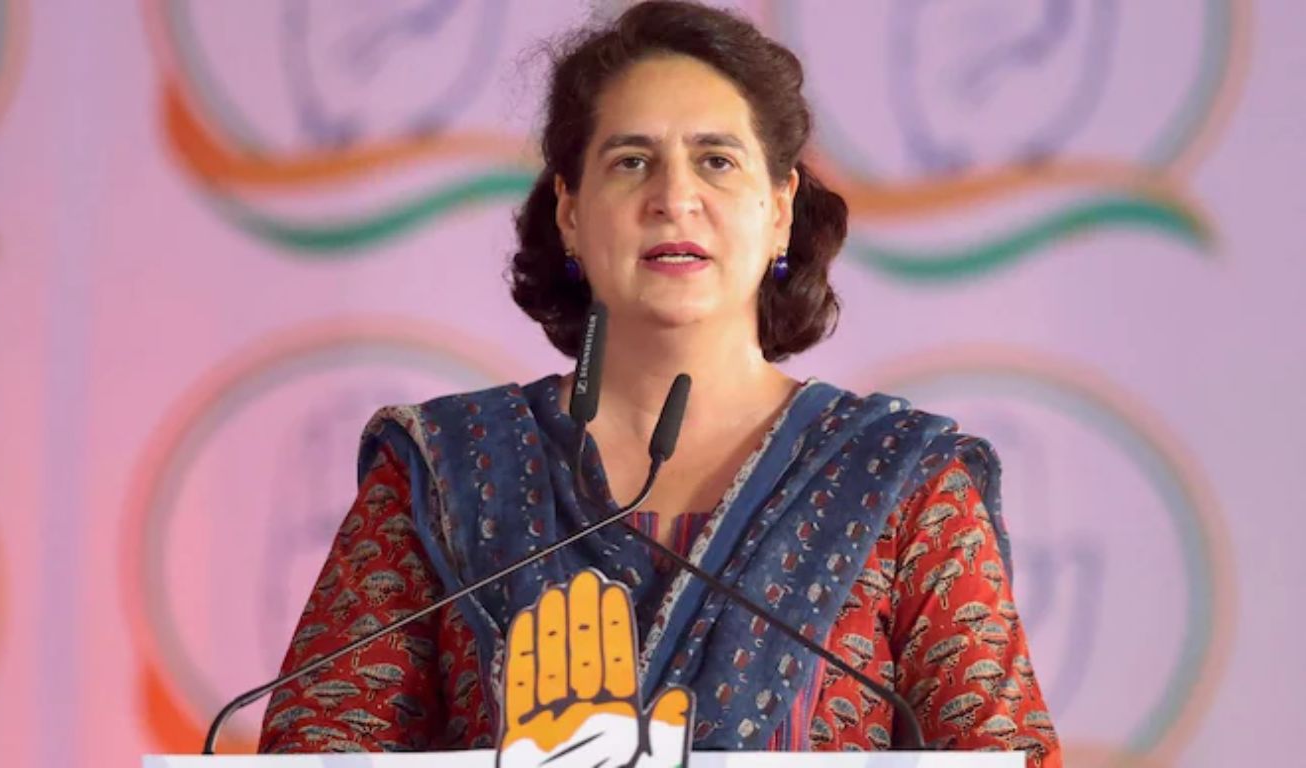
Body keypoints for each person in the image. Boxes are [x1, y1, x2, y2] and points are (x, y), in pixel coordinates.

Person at [258, 1, 1060, 761]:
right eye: (631, 161)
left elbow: (1006, 758)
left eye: (717, 161)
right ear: (570, 213)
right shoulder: (444, 473)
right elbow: (316, 753)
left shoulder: (900, 481)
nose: (674, 198)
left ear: (780, 210)